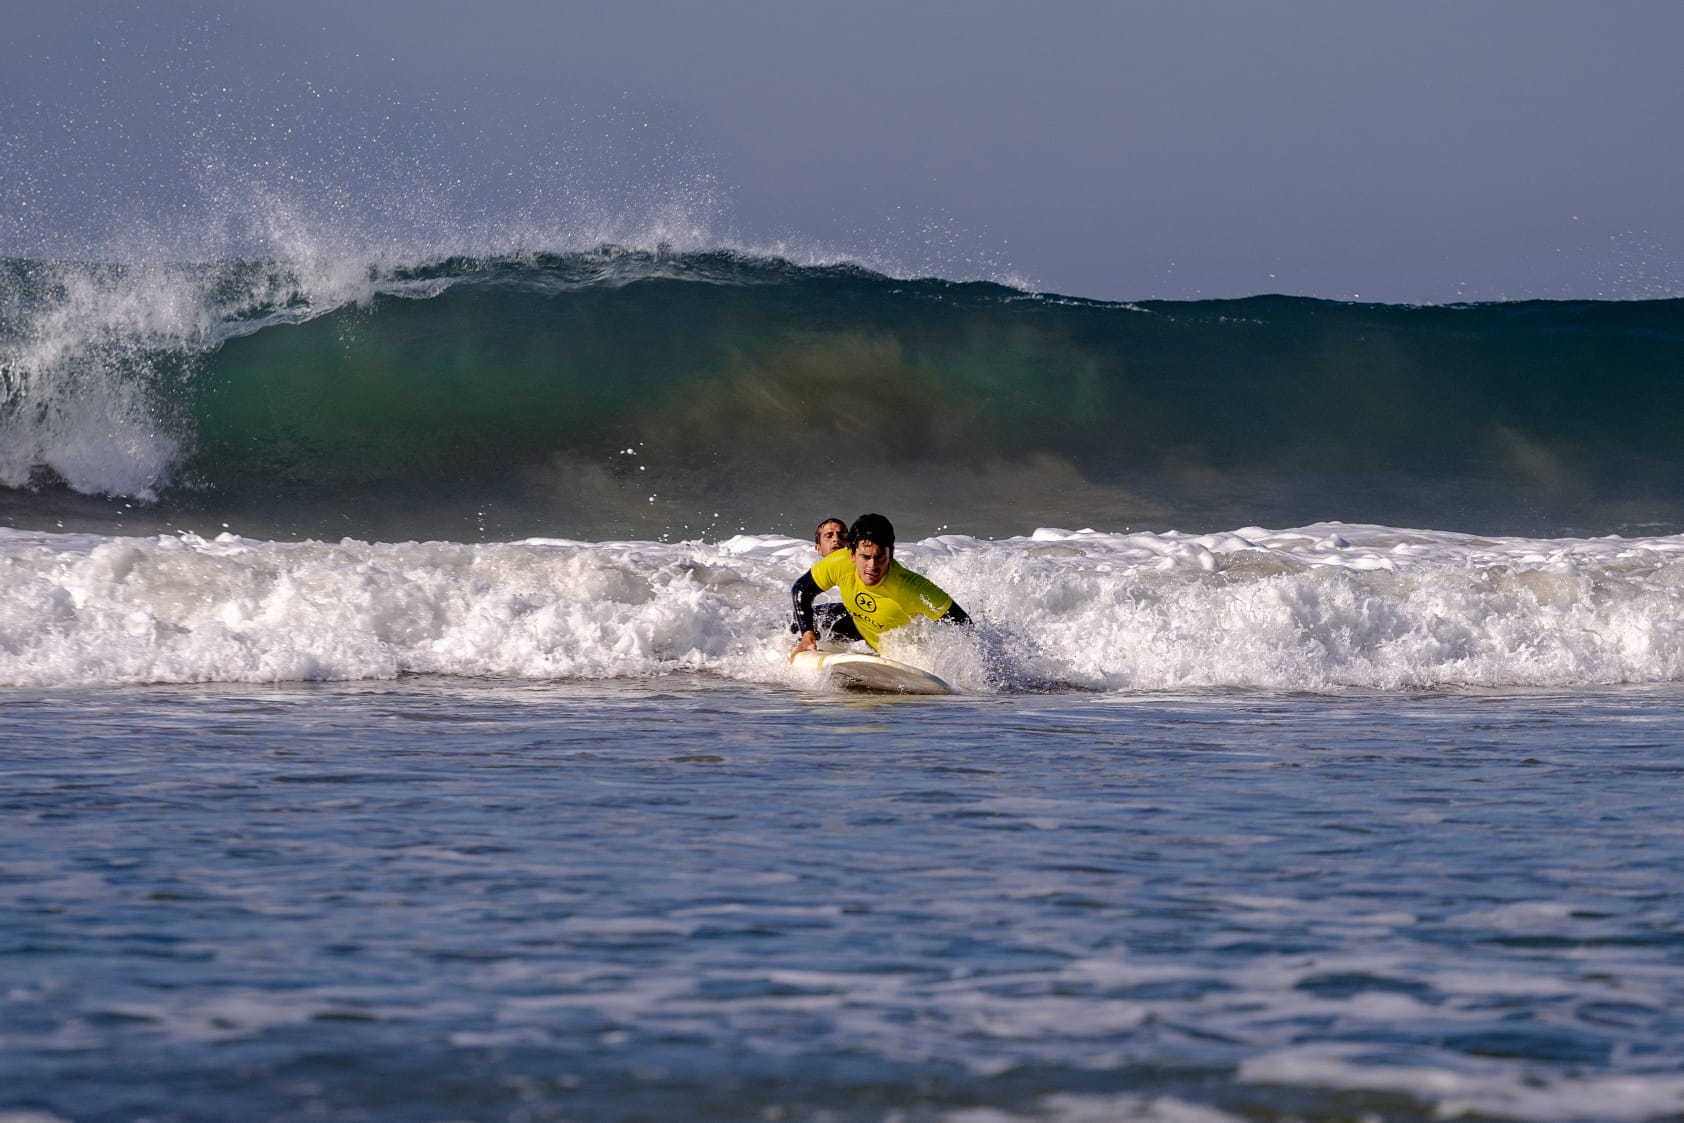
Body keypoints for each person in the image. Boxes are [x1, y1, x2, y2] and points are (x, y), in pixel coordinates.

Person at [791, 512, 971, 657]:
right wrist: (808, 635)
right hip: (859, 623)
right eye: (865, 557)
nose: (872, 566)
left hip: (898, 646)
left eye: (880, 557)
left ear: (891, 554)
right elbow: (801, 590)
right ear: (852, 555)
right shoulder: (839, 562)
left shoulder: (912, 588)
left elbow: (964, 626)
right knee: (795, 624)